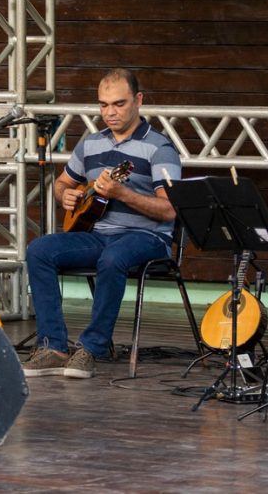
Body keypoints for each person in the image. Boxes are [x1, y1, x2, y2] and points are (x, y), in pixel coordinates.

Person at [22, 68, 182, 379]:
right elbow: (61, 184)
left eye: (119, 104)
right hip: (98, 234)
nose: (110, 112)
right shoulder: (90, 144)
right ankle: (53, 347)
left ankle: (92, 348)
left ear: (138, 100)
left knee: (113, 258)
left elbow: (170, 211)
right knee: (39, 249)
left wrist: (123, 192)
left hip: (147, 237)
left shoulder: (159, 148)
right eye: (103, 105)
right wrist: (66, 195)